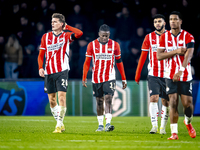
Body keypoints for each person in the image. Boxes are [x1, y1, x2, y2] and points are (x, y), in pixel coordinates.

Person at [37, 13, 83, 133]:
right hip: (49, 71)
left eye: (55, 21)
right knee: (52, 100)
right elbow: (41, 54)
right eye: (52, 21)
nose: (52, 23)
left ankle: (58, 125)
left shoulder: (66, 36)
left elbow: (79, 33)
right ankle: (60, 123)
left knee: (61, 97)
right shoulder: (45, 37)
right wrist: (40, 67)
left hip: (62, 70)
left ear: (61, 24)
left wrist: (68, 27)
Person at [157, 11, 196, 140]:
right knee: (172, 102)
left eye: (175, 19)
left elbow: (189, 55)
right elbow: (159, 56)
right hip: (169, 75)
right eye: (171, 19)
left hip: (185, 75)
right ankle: (174, 133)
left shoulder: (188, 36)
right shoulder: (164, 37)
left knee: (187, 105)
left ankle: (188, 122)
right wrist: (176, 51)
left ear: (180, 21)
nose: (172, 21)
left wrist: (181, 70)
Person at [82, 24, 127, 132]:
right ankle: (100, 125)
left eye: (107, 36)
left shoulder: (115, 45)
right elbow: (87, 62)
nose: (105, 38)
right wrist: (84, 77)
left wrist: (123, 78)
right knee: (99, 101)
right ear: (99, 34)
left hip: (110, 76)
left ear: (109, 35)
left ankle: (108, 124)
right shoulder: (92, 45)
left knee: (108, 98)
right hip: (96, 77)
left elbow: (119, 62)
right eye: (103, 36)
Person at [135, 14, 169, 134]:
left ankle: (163, 128)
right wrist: (137, 74)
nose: (157, 24)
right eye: (155, 22)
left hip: (168, 74)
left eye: (159, 21)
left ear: (164, 23)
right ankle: (154, 126)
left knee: (166, 102)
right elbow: (143, 57)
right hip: (153, 73)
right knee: (153, 98)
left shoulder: (171, 37)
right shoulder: (148, 37)